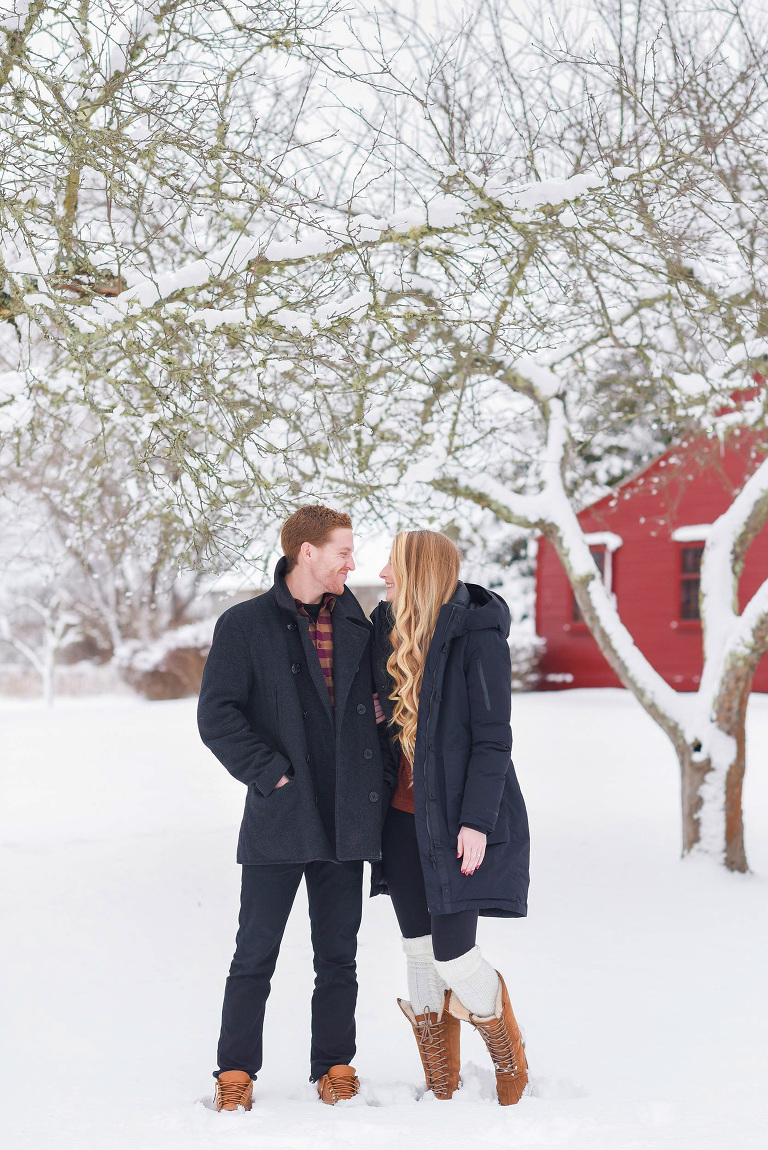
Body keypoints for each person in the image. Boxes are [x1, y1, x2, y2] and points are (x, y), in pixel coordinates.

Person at [198, 505, 396, 1111]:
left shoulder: (358, 621)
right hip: (282, 814)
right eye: (343, 551)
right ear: (306, 552)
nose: (351, 562)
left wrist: (381, 716)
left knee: (339, 955)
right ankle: (235, 1073)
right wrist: (271, 774)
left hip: (347, 816)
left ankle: (334, 1066)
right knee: (255, 951)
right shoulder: (245, 624)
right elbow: (217, 716)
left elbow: (381, 698)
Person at [371, 529, 530, 1105]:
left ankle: (508, 1050)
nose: (382, 572)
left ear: (417, 569)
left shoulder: (478, 638)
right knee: (417, 950)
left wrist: (477, 822)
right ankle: (442, 1075)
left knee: (454, 953)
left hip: (457, 822)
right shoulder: (386, 632)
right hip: (401, 820)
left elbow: (493, 740)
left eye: (392, 563)